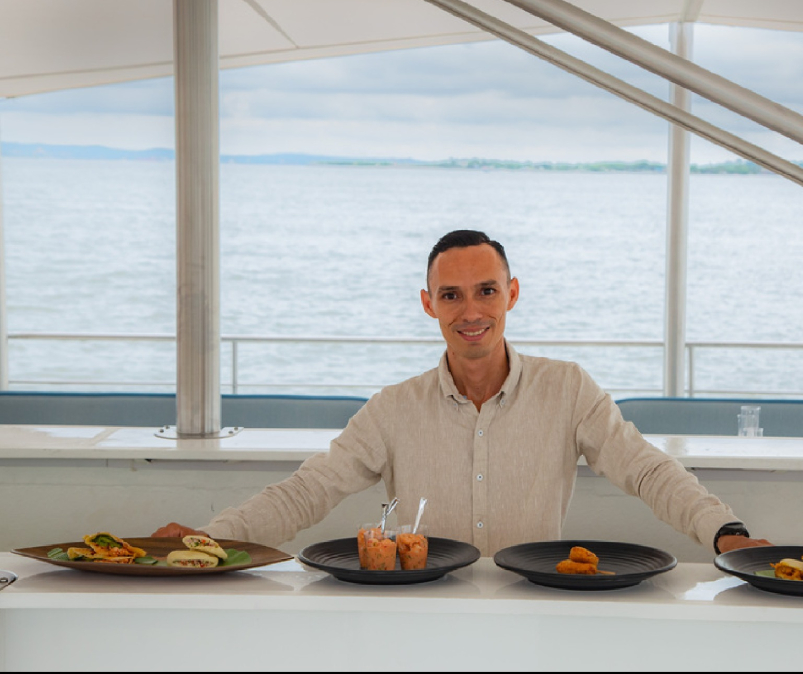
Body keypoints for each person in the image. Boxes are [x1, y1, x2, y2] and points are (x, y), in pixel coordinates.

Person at [155, 229, 770, 556]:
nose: (470, 311)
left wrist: (727, 532)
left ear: (512, 294)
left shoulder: (568, 388)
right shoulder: (394, 408)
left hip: (534, 609)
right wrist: (217, 538)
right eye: (450, 295)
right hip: (418, 617)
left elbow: (647, 472)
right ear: (429, 305)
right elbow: (309, 490)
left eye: (486, 291)